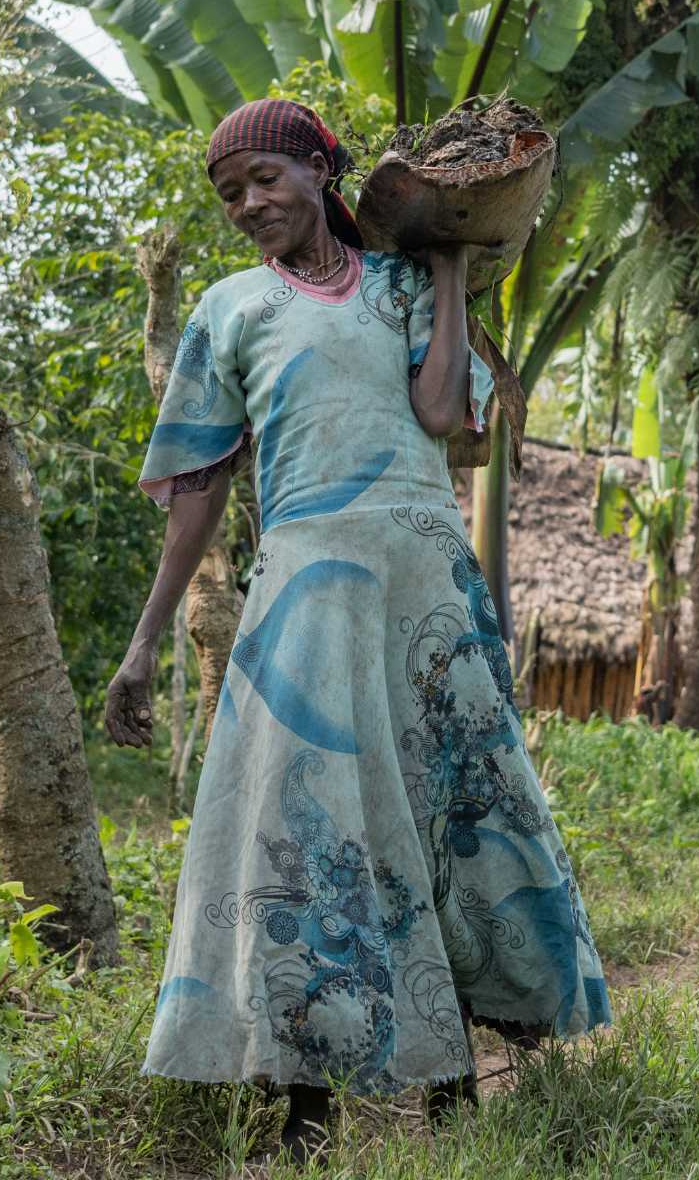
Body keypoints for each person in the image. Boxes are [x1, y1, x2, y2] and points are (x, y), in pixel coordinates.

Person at [103, 98, 609, 1162]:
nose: (248, 205)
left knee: (450, 811)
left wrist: (452, 266)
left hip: (425, 585)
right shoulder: (229, 309)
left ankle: (456, 1081)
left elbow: (444, 419)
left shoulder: (401, 286)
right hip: (306, 592)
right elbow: (197, 487)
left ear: (317, 174)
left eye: (265, 181)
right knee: (306, 830)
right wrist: (142, 643)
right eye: (230, 192)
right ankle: (307, 1104)